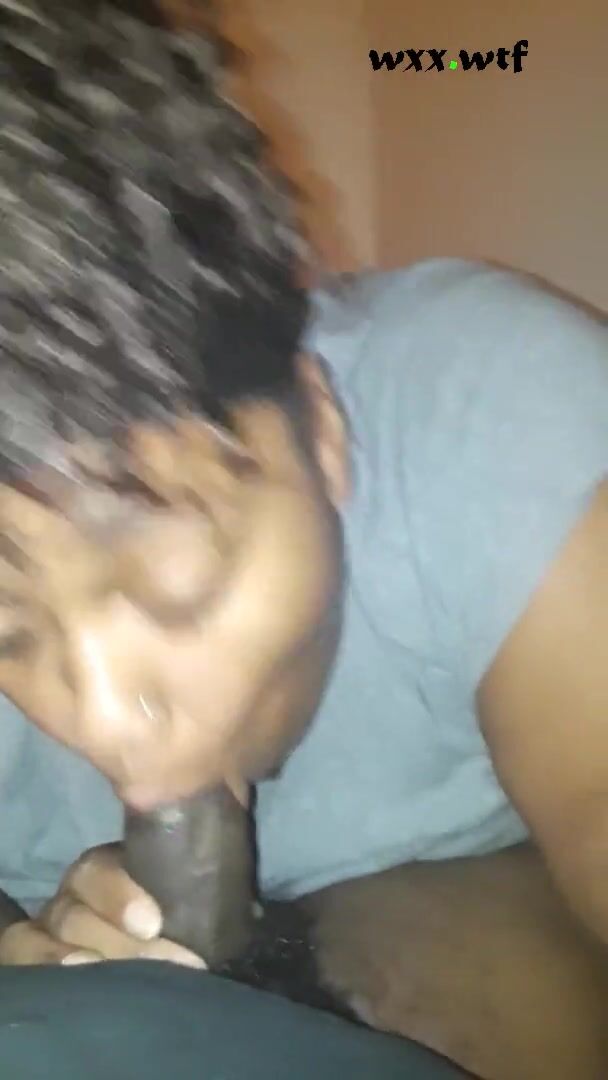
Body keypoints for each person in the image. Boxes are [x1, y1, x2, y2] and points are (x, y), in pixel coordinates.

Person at [0, 1, 606, 1077]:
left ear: (319, 428)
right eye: (8, 631)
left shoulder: (479, 405)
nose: (105, 722)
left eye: (176, 581)